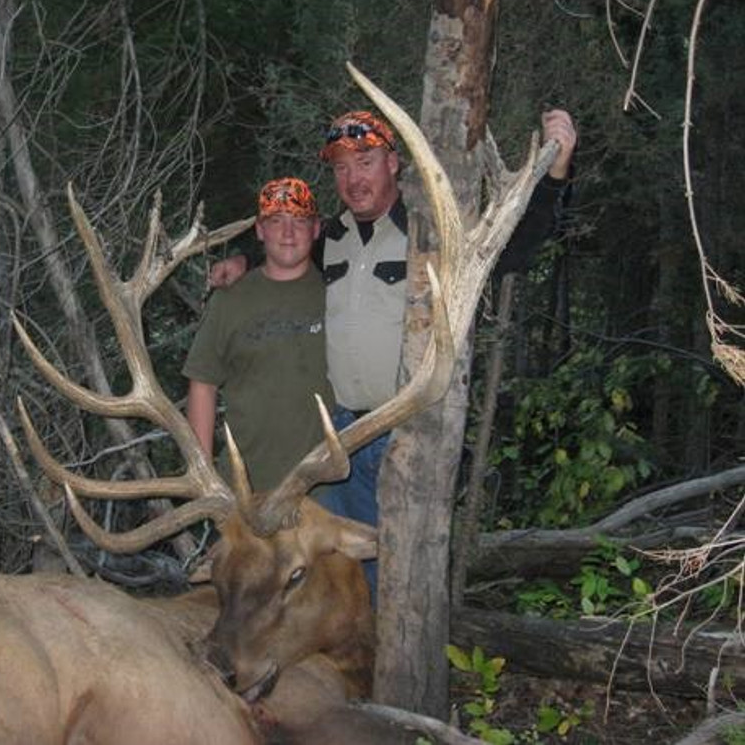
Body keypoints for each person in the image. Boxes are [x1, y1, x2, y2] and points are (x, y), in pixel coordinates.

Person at [208, 109, 577, 596]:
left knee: (398, 578)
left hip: (407, 434)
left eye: (365, 161)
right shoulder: (331, 238)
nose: (352, 178)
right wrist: (242, 259)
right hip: (338, 438)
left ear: (393, 163)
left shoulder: (432, 227)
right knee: (335, 577)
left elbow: (518, 247)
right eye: (341, 167)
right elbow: (284, 250)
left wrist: (555, 173)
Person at [182, 177, 333, 492]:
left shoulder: (338, 293)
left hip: (326, 491)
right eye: (276, 221)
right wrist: (203, 477)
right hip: (245, 491)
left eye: (300, 221)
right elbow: (202, 384)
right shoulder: (229, 300)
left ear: (317, 229)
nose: (288, 233)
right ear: (260, 230)